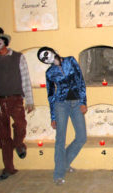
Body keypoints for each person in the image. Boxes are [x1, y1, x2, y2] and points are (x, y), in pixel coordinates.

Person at [0, 26, 34, 181]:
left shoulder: (18, 57)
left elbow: (25, 79)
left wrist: (29, 101)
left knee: (20, 124)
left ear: (3, 40)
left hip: (16, 99)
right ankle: (8, 168)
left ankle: (19, 144)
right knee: (4, 137)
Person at [37, 47, 87, 185]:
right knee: (60, 139)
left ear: (53, 51)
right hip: (61, 105)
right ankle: (58, 174)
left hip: (76, 103)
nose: (46, 58)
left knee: (82, 137)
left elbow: (80, 81)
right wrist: (53, 117)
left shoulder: (70, 60)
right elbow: (51, 95)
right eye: (43, 58)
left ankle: (64, 163)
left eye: (46, 54)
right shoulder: (49, 72)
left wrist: (83, 102)